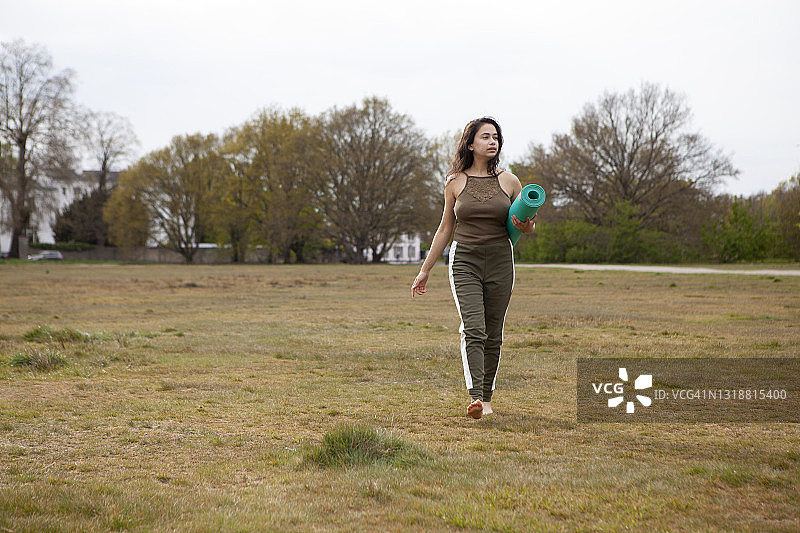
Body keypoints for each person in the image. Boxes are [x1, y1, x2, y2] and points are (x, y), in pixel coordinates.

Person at [411, 117, 536, 419]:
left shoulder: (510, 181)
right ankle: (476, 397)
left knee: (493, 331)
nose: (493, 142)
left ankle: (487, 399)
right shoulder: (454, 182)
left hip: (501, 260)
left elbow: (528, 225)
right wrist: (425, 269)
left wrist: (527, 226)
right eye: (485, 137)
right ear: (470, 144)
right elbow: (445, 228)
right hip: (464, 260)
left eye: (496, 137)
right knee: (473, 328)